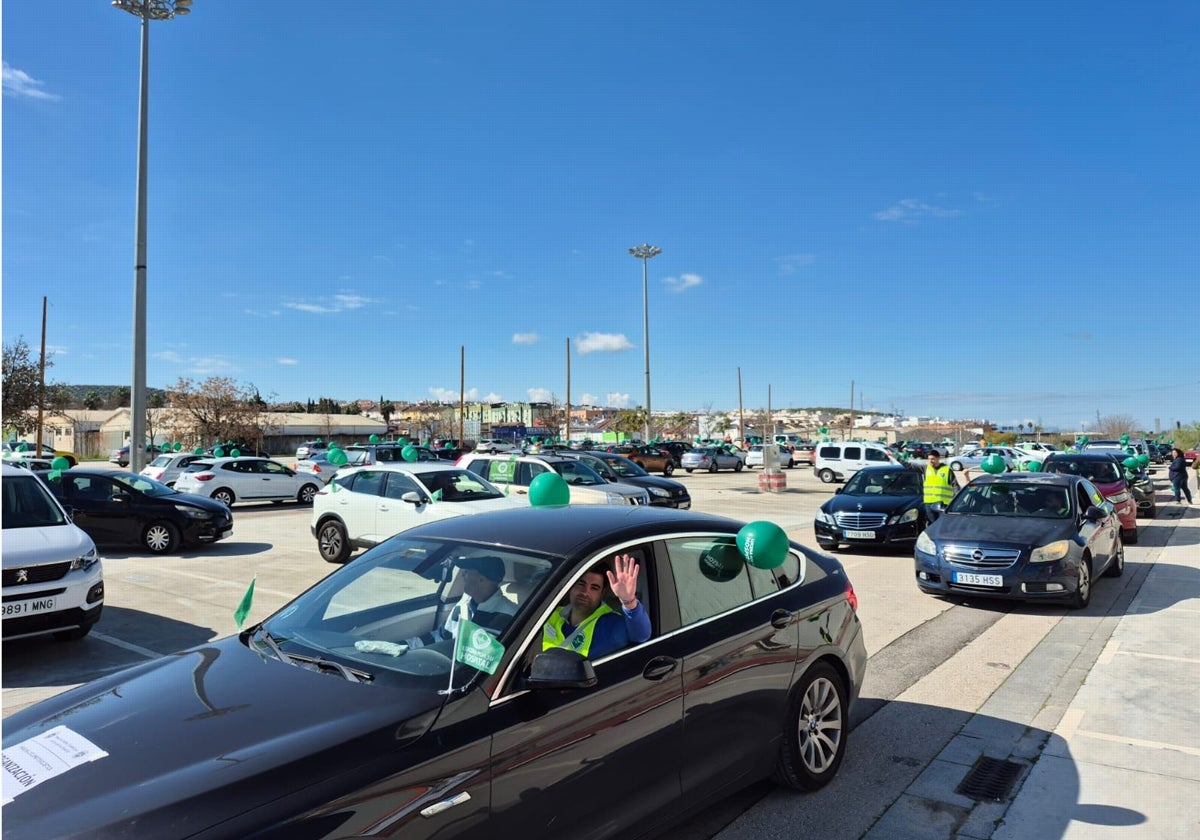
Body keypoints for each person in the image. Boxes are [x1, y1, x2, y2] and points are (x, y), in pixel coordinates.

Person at [542, 554, 650, 659]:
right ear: (571, 585)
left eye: (594, 588)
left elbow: (642, 635)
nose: (585, 592)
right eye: (581, 584)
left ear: (602, 593)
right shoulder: (549, 614)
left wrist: (629, 601)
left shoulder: (611, 623)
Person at [405, 556, 516, 650]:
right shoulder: (463, 605)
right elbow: (441, 637)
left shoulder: (508, 616)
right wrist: (405, 646)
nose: (462, 575)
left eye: (466, 572)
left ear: (482, 580)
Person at [922, 450, 958, 523]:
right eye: (929, 459)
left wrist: (957, 500)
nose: (930, 461)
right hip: (928, 503)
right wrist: (896, 456)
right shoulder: (926, 469)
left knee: (942, 524)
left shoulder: (946, 470)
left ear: (938, 458)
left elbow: (955, 486)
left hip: (943, 504)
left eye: (933, 459)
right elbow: (909, 465)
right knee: (932, 525)